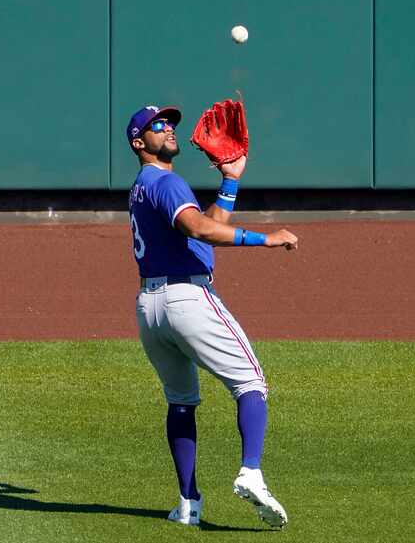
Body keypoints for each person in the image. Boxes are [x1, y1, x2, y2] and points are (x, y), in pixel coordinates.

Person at [126, 104, 299, 528]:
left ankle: (188, 504)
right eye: (157, 126)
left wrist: (230, 179)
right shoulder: (165, 182)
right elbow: (200, 230)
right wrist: (267, 239)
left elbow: (207, 226)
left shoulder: (144, 185)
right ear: (138, 142)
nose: (168, 129)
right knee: (250, 382)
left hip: (151, 309)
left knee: (181, 400)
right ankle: (252, 473)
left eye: (169, 124)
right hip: (187, 299)